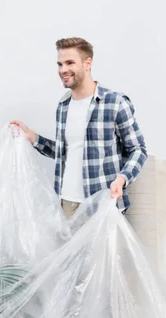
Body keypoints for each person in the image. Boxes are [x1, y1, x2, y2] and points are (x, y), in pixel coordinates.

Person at [11, 37, 147, 219]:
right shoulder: (64, 105)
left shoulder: (115, 103)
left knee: (102, 250)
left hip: (102, 205)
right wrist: (32, 137)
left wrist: (122, 179)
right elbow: (65, 152)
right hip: (66, 204)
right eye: (59, 64)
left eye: (69, 63)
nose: (63, 70)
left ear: (87, 63)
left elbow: (138, 150)